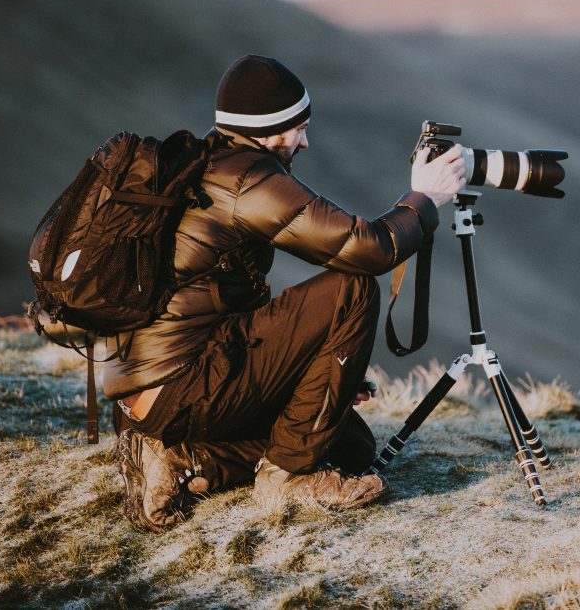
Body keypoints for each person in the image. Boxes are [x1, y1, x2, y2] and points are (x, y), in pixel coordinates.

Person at [108, 54, 466, 530]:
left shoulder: (203, 166)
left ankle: (183, 460)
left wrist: (313, 369)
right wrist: (425, 198)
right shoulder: (248, 180)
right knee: (352, 289)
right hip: (184, 385)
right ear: (272, 128)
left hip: (144, 389)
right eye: (299, 128)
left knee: (349, 444)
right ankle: (289, 478)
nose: (305, 140)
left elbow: (221, 306)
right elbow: (368, 249)